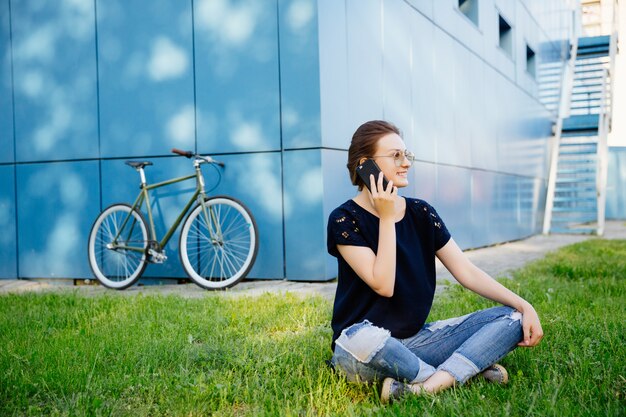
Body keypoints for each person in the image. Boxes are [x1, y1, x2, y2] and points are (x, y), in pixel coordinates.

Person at [327, 120, 543, 403]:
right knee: (364, 338)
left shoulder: (421, 212)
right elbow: (383, 284)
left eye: (407, 155)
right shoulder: (344, 219)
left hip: (416, 341)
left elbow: (466, 271)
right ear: (366, 165)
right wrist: (388, 218)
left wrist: (524, 305)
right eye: (395, 156)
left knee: (511, 318)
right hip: (362, 348)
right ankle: (461, 373)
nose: (406, 163)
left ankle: (424, 386)